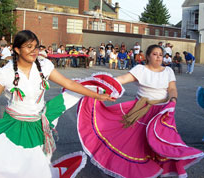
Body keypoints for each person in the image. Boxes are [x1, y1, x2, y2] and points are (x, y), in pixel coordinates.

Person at [0, 30, 113, 178]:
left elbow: (69, 84)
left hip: (38, 124)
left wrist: (97, 95)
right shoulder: (4, 74)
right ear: (16, 50)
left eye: (36, 47)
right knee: (6, 163)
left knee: (36, 166)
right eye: (28, 47)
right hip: (14, 125)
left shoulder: (44, 67)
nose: (34, 51)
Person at [75, 44, 204, 178]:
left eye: (160, 54)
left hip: (162, 110)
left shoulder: (168, 71)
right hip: (140, 110)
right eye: (155, 54)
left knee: (163, 141)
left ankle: (158, 168)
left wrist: (173, 100)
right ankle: (139, 170)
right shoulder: (141, 69)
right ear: (148, 56)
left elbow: (172, 89)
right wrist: (99, 86)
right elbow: (121, 80)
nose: (158, 57)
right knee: (137, 142)